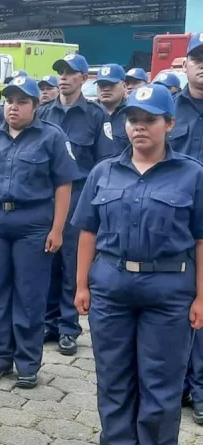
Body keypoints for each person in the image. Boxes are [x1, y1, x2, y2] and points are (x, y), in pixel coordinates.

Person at [73, 83, 203, 444]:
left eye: (150, 119)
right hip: (111, 288)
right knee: (114, 380)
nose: (139, 127)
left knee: (160, 387)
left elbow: (201, 239)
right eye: (133, 119)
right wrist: (81, 285)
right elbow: (87, 232)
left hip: (169, 292)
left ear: (170, 124)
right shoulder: (103, 172)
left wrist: (201, 298)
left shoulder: (192, 174)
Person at [0, 76, 80, 388]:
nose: (13, 107)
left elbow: (64, 184)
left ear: (35, 105)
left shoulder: (51, 137)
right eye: (8, 101)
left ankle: (28, 362)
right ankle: (0, 356)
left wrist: (58, 229)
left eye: (21, 102)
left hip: (33, 225)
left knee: (30, 295)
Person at [39, 54, 116, 356]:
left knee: (72, 264)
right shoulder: (44, 113)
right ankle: (48, 322)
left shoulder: (97, 117)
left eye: (71, 73)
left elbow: (105, 163)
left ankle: (69, 327)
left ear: (84, 79)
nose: (64, 77)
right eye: (60, 72)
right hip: (47, 198)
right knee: (47, 262)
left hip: (80, 200)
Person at [177, 33, 203, 422]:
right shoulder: (165, 109)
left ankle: (200, 388)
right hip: (172, 222)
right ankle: (178, 383)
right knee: (175, 305)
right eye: (197, 59)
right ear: (185, 64)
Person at [95, 64, 129, 153]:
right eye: (102, 85)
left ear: (124, 86)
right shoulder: (88, 113)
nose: (106, 89)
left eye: (111, 84)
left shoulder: (132, 114)